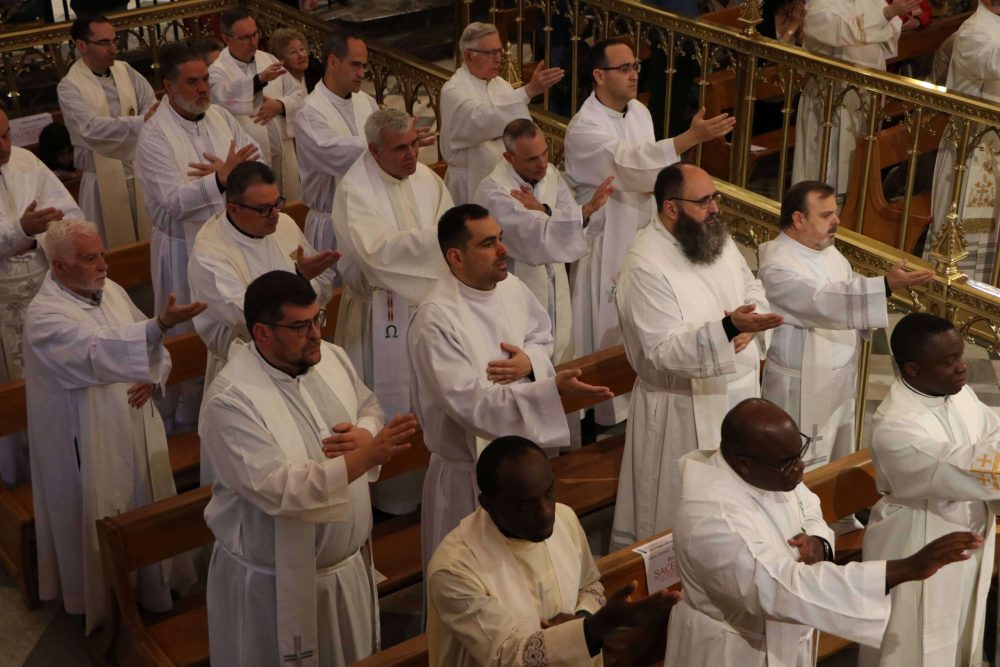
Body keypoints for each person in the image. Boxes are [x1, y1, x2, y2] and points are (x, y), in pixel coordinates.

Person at [201, 270, 417, 667]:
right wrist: (367, 456)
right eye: (300, 326)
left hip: (347, 571)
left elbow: (368, 404)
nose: (316, 334)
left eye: (317, 319)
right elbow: (278, 487)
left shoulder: (330, 358)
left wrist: (364, 434)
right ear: (262, 333)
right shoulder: (231, 400)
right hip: (276, 587)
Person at [665, 398, 984, 666]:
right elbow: (778, 586)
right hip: (732, 650)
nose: (800, 468)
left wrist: (819, 542)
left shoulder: (770, 470)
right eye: (789, 462)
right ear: (744, 463)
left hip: (783, 632)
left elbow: (808, 507)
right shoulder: (711, 519)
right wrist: (902, 569)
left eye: (800, 453)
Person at [22, 218, 206, 634]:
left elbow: (149, 348)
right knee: (104, 512)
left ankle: (156, 586)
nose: (104, 265)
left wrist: (152, 373)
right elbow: (94, 351)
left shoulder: (112, 291)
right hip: (88, 438)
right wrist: (157, 327)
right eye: (90, 258)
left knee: (145, 498)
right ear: (59, 266)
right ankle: (105, 603)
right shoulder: (44, 316)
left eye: (102, 254)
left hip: (135, 423)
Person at [409, 203, 613, 569]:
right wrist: (550, 390)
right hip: (466, 480)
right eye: (488, 243)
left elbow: (541, 335)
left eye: (500, 238)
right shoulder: (435, 319)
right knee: (477, 582)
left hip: (523, 471)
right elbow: (471, 405)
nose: (503, 250)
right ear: (456, 257)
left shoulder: (510, 287)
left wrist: (530, 362)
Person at [610, 162, 783, 550]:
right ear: (670, 207)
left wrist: (750, 320)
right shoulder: (644, 264)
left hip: (739, 396)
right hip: (681, 411)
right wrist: (727, 330)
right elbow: (661, 351)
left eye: (714, 197)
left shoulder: (711, 237)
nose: (714, 208)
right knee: (681, 516)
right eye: (703, 201)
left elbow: (752, 286)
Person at [564, 38, 734, 424]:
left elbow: (652, 172)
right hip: (609, 236)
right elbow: (629, 165)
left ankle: (640, 394)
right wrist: (689, 138)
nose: (633, 74)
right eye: (624, 68)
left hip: (642, 226)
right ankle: (601, 413)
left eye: (635, 67)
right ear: (598, 75)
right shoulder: (584, 128)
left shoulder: (639, 111)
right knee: (607, 324)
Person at [427, 435, 679, 666]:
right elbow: (506, 656)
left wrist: (582, 616)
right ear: (488, 505)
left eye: (548, 493)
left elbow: (588, 585)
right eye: (525, 505)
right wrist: (595, 626)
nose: (546, 513)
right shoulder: (454, 569)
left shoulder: (564, 518)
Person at [759, 180, 933, 471]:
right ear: (798, 219)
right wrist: (884, 286)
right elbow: (820, 301)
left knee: (837, 457)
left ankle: (835, 499)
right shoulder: (777, 265)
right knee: (798, 462)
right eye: (826, 215)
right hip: (800, 386)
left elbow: (846, 288)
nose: (837, 221)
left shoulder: (828, 252)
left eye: (835, 212)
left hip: (839, 377)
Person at [860, 313, 1000, 666]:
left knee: (964, 626)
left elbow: (993, 430)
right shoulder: (896, 425)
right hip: (916, 538)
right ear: (913, 369)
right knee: (912, 641)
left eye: (960, 355)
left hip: (966, 528)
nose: (961, 367)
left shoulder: (959, 394)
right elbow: (961, 465)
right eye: (948, 361)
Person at [137, 42, 260, 428]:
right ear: (168, 87)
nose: (204, 88)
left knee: (233, 326)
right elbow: (174, 201)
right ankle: (189, 422)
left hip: (231, 241)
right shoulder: (154, 137)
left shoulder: (221, 117)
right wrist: (222, 178)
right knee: (191, 336)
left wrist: (229, 174)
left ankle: (241, 412)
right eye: (192, 82)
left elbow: (255, 161)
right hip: (182, 250)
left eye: (205, 79)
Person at [187, 161, 338, 454]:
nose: (275, 215)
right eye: (263, 209)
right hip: (245, 368)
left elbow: (322, 284)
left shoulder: (284, 224)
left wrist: (307, 280)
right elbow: (244, 317)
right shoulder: (210, 252)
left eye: (277, 203)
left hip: (296, 356)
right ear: (234, 209)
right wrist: (300, 280)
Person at [473, 118, 615, 364]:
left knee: (561, 350)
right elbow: (533, 236)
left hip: (556, 280)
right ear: (509, 157)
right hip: (518, 281)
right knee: (527, 353)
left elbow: (568, 218)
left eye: (544, 153)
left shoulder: (550, 174)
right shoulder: (494, 191)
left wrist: (544, 209)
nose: (542, 164)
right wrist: (584, 210)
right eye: (531, 159)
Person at [0, 106, 84, 484]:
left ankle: (67, 467)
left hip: (43, 289)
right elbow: (22, 228)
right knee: (11, 397)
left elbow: (70, 215)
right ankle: (16, 480)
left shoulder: (26, 162)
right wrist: (19, 230)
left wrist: (40, 234)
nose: (5, 146)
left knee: (56, 383)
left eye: (6, 134)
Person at [791, 0, 918, 194]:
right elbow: (842, 29)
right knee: (825, 166)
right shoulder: (819, 4)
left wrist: (885, 18)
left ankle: (853, 204)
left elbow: (893, 26)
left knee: (856, 165)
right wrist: (886, 14)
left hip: (864, 96)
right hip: (830, 99)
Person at [58, 15, 157, 248]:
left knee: (150, 245)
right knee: (110, 254)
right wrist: (140, 122)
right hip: (102, 185)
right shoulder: (70, 86)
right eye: (104, 43)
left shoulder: (126, 71)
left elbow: (150, 105)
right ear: (82, 45)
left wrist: (146, 119)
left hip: (140, 174)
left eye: (115, 41)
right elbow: (91, 129)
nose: (113, 49)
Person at [440, 22, 564, 204]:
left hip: (508, 181)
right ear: (468, 55)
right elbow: (479, 120)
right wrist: (528, 91)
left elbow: (520, 130)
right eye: (490, 53)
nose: (499, 59)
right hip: (470, 184)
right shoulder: (454, 90)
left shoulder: (502, 85)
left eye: (499, 51)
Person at [926, 0, 1000, 282]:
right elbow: (994, 64)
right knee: (964, 231)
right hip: (970, 149)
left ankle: (983, 293)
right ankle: (949, 293)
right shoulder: (972, 31)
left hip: (993, 146)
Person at [294, 33, 379, 253]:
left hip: (368, 217)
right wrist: (387, 142)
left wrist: (399, 143)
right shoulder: (309, 111)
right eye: (355, 65)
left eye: (364, 66)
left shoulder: (367, 102)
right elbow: (334, 153)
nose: (362, 73)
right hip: (330, 224)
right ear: (332, 61)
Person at [209, 8, 304, 199]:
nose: (253, 42)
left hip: (284, 152)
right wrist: (259, 80)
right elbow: (223, 98)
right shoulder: (217, 71)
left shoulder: (268, 59)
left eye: (255, 34)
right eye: (245, 37)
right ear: (226, 38)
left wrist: (280, 105)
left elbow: (300, 95)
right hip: (250, 157)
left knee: (292, 204)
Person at [269, 28, 311, 96]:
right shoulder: (278, 84)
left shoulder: (315, 74)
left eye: (302, 49)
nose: (301, 55)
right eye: (293, 52)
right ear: (279, 58)